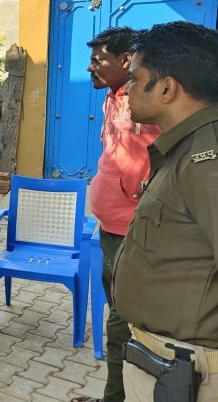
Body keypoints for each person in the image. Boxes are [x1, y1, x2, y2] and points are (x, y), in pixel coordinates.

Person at [113, 21, 218, 401]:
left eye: (136, 78)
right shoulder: (185, 149)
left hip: (194, 374)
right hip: (168, 366)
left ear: (167, 88)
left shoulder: (208, 156)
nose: (127, 88)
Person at [71, 28, 160, 402]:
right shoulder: (113, 99)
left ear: (126, 61)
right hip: (109, 228)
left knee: (122, 323)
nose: (90, 67)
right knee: (117, 317)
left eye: (98, 60)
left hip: (133, 231)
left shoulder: (149, 102)